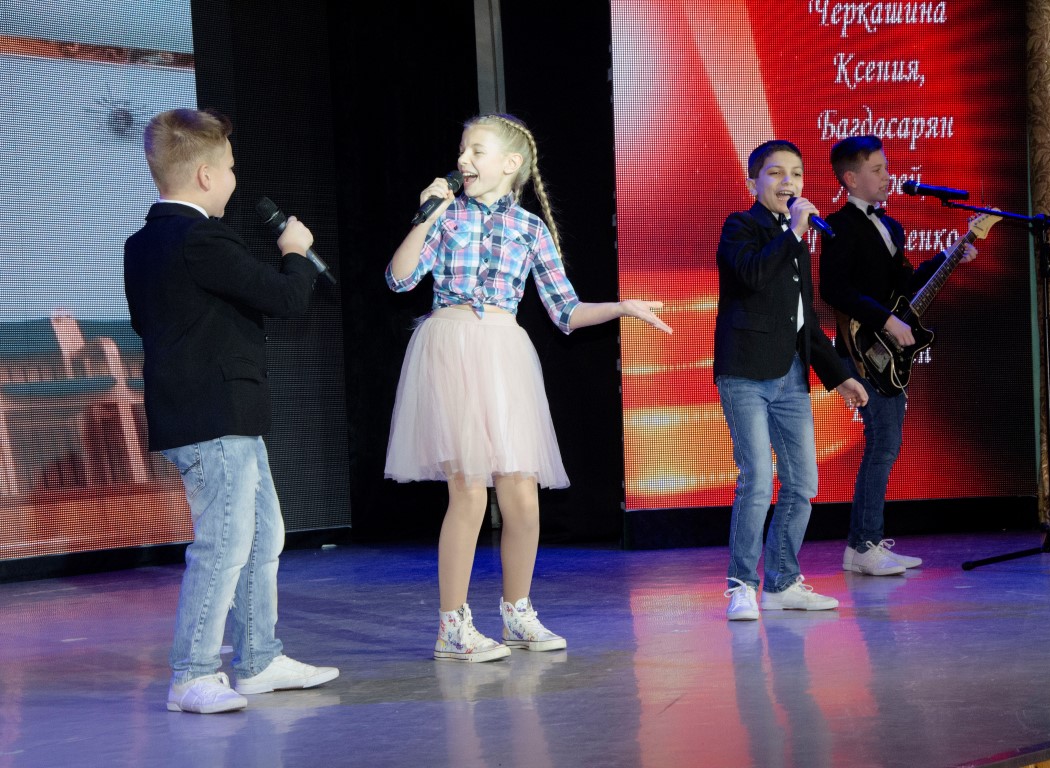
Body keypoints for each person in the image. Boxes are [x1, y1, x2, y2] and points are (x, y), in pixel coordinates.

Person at [385, 113, 672, 662]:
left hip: (504, 352)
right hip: (451, 348)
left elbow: (565, 311)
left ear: (510, 164)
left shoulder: (530, 229)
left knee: (521, 493)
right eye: (462, 149)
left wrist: (622, 307)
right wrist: (426, 217)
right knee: (469, 491)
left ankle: (517, 612)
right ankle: (452, 625)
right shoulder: (446, 217)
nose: (463, 159)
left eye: (477, 150)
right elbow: (399, 279)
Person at [124, 108, 339, 714]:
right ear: (205, 176)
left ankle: (259, 659)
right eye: (231, 169)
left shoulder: (143, 243)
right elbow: (285, 297)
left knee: (264, 533)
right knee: (223, 544)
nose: (234, 179)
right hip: (213, 415)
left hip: (218, 415)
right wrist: (296, 252)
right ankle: (192, 674)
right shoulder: (202, 238)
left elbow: (150, 323)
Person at [714, 139, 869, 621]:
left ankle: (782, 582)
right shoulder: (741, 227)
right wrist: (795, 232)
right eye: (776, 173)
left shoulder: (795, 241)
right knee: (758, 481)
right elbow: (751, 275)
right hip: (745, 373)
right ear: (752, 183)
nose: (789, 182)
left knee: (802, 483)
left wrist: (839, 376)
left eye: (797, 173)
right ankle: (742, 585)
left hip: (791, 376)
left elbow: (804, 321)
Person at [818, 134, 976, 576]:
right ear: (851, 179)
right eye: (878, 170)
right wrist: (886, 321)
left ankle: (863, 545)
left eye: (886, 168)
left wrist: (949, 256)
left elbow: (906, 289)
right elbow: (835, 289)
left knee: (885, 444)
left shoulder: (892, 227)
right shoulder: (838, 225)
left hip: (886, 353)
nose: (888, 176)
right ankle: (863, 546)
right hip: (861, 351)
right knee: (883, 443)